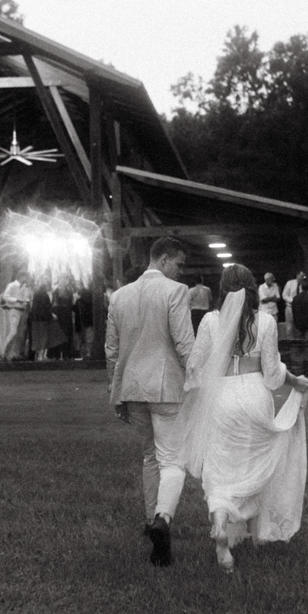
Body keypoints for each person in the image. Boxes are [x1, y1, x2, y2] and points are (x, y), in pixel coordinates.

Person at [179, 264, 308, 573]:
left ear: (223, 289)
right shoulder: (265, 321)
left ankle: (222, 526)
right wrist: (294, 380)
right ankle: (251, 530)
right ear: (252, 288)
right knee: (252, 462)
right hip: (254, 396)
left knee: (222, 466)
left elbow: (195, 365)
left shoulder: (211, 322)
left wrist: (202, 387)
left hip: (222, 398)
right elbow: (273, 372)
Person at [105, 237, 194, 567]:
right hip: (166, 386)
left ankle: (149, 521)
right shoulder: (174, 291)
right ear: (165, 259)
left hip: (131, 387)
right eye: (180, 264)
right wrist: (198, 382)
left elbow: (111, 352)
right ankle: (162, 520)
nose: (182, 272)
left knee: (149, 456)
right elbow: (186, 344)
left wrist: (114, 393)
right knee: (173, 460)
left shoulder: (119, 296)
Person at [280, 271, 305, 338]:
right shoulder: (290, 283)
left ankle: (298, 345)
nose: (302, 278)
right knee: (289, 328)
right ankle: (290, 344)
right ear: (297, 275)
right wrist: (293, 301)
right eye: (301, 276)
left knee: (299, 328)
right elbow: (284, 295)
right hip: (290, 307)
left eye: (303, 276)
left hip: (300, 309)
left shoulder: (304, 284)